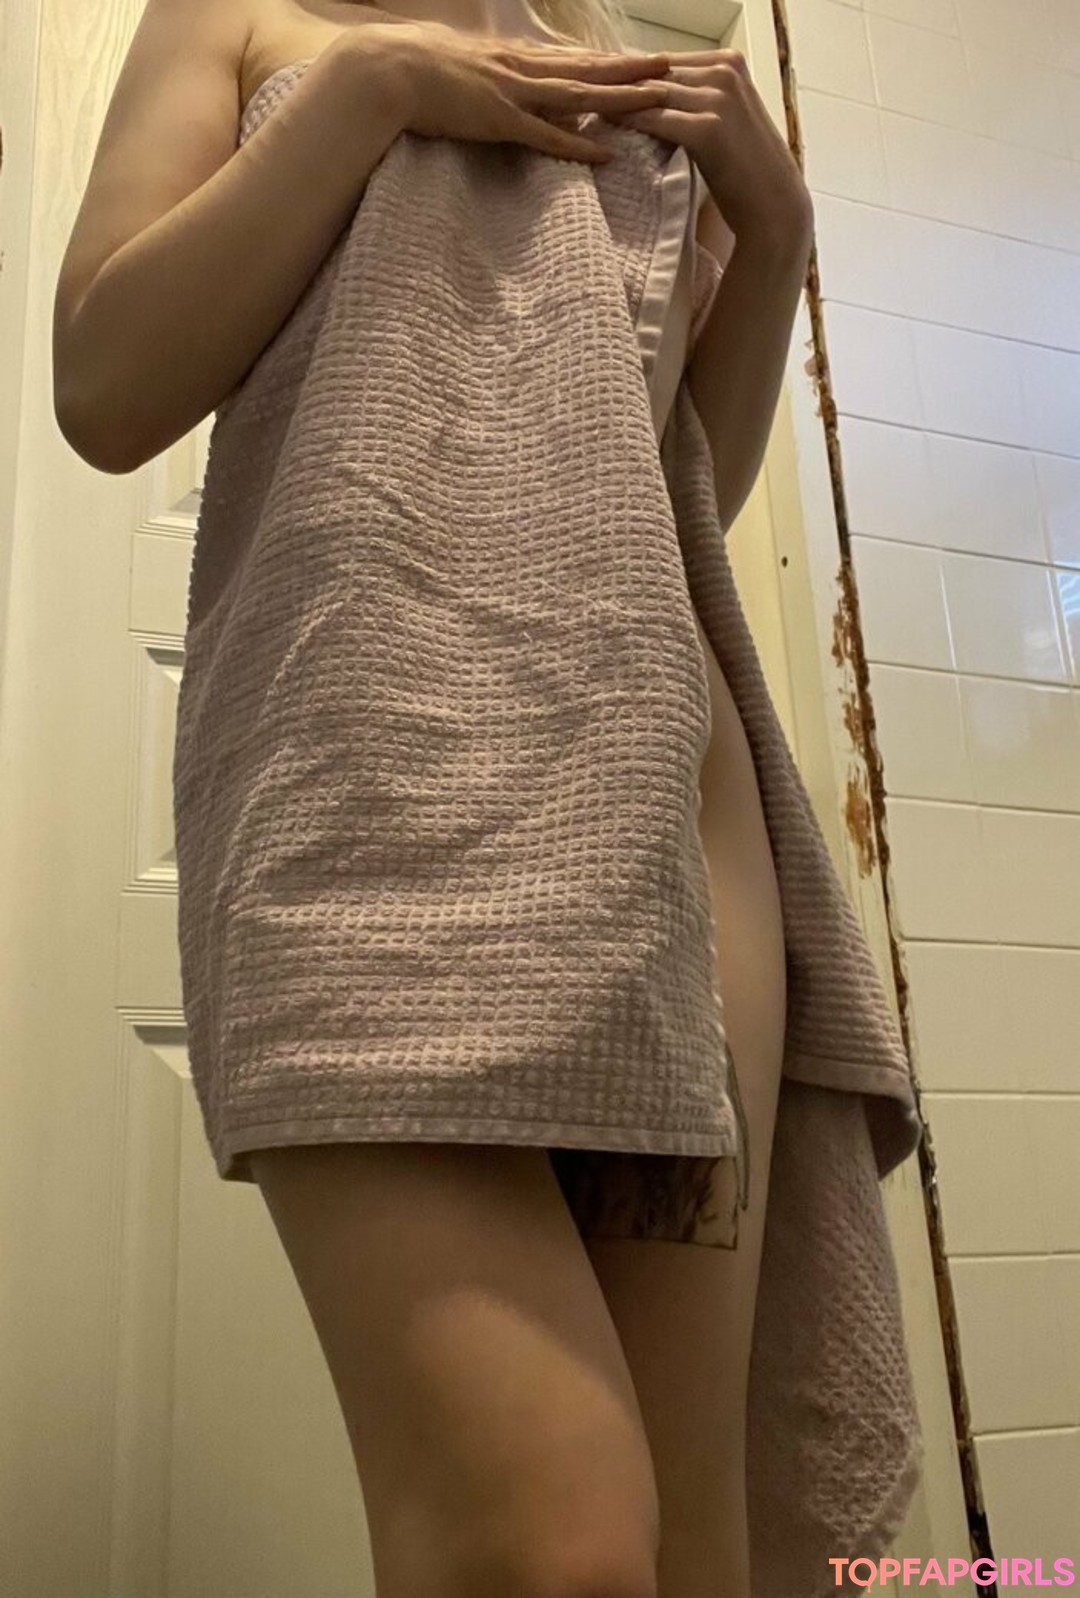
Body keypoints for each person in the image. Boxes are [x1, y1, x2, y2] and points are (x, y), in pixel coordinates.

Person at [53, 2, 825, 1595]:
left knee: (697, 1548)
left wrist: (777, 235)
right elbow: (103, 386)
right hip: (367, 798)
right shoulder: (245, 20)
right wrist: (374, 89)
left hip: (667, 815)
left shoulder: (624, 80)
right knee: (545, 1545)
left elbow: (669, 485)